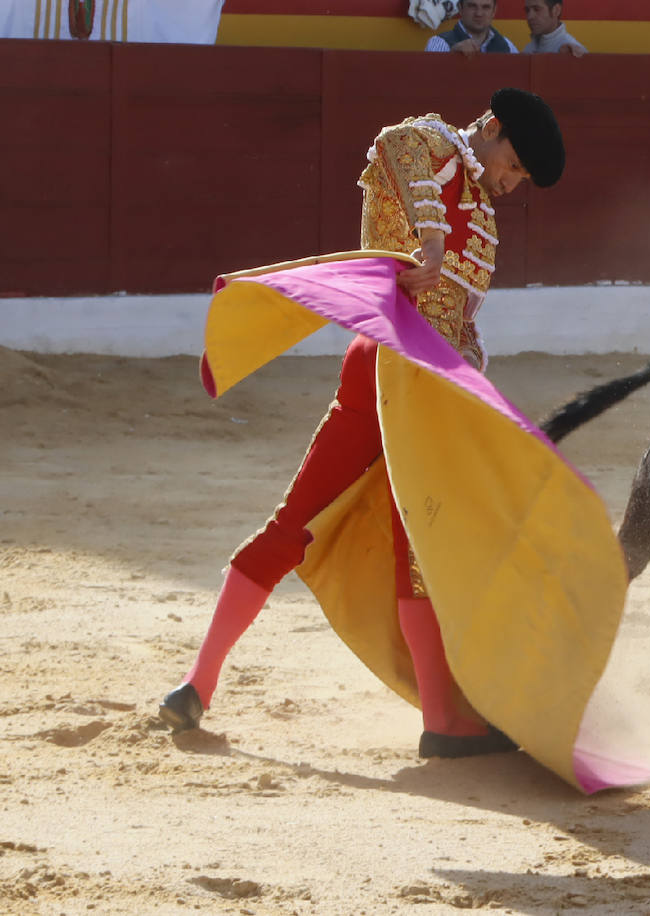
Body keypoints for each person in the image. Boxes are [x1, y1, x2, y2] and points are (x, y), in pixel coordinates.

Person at [158, 89, 566, 760]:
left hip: (418, 380)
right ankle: (443, 719)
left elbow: (457, 320)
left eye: (519, 177)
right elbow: (394, 142)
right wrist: (430, 239)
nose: (508, 180)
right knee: (413, 543)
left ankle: (199, 683)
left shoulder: (484, 217)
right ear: (490, 127)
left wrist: (469, 373)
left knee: (345, 530)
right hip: (393, 368)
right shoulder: (433, 145)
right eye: (512, 162)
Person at [424, 0, 518, 54]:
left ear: (494, 11)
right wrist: (451, 58)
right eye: (472, 6)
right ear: (460, 8)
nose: (479, 13)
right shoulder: (439, 44)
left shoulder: (509, 47)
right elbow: (429, 82)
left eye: (486, 7)